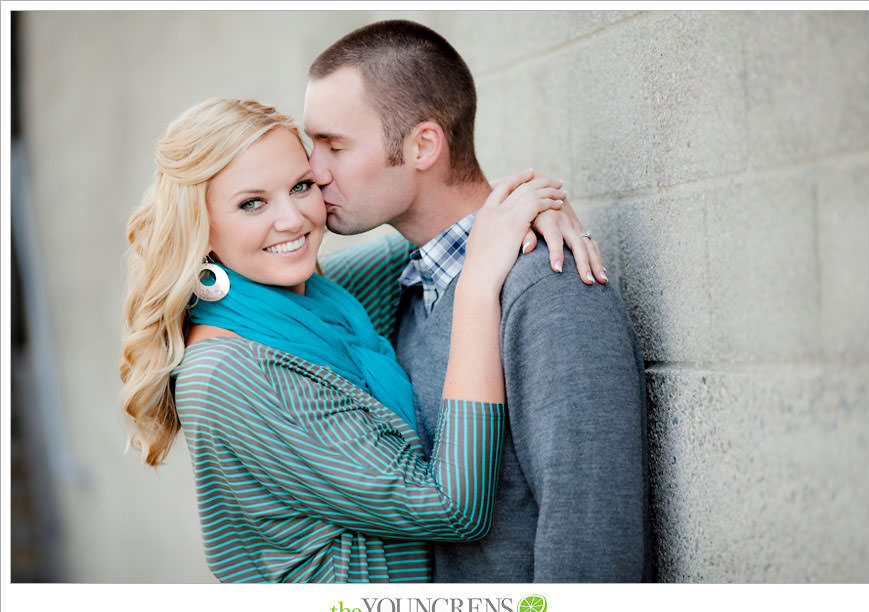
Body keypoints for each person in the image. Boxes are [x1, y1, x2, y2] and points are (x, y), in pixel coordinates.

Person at [118, 97, 591, 582]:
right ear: (200, 226)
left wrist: (533, 203)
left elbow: (446, 225)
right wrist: (477, 290)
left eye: (301, 186)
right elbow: (453, 507)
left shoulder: (320, 297)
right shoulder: (231, 375)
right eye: (251, 203)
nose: (292, 220)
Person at [304, 19, 652, 582]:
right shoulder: (407, 289)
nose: (313, 171)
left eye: (334, 146)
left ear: (423, 146)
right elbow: (269, 285)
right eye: (310, 143)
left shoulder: (552, 289)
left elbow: (594, 538)